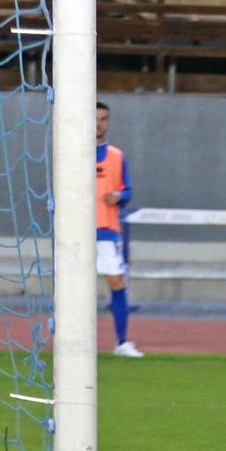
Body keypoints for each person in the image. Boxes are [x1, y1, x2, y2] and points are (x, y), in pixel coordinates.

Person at [96, 102, 142, 358]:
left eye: (103, 119)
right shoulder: (72, 152)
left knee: (117, 282)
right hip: (75, 233)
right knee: (70, 287)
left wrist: (119, 195)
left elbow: (128, 191)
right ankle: (69, 340)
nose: (98, 123)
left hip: (106, 230)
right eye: (94, 118)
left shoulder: (116, 156)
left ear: (108, 123)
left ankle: (122, 342)